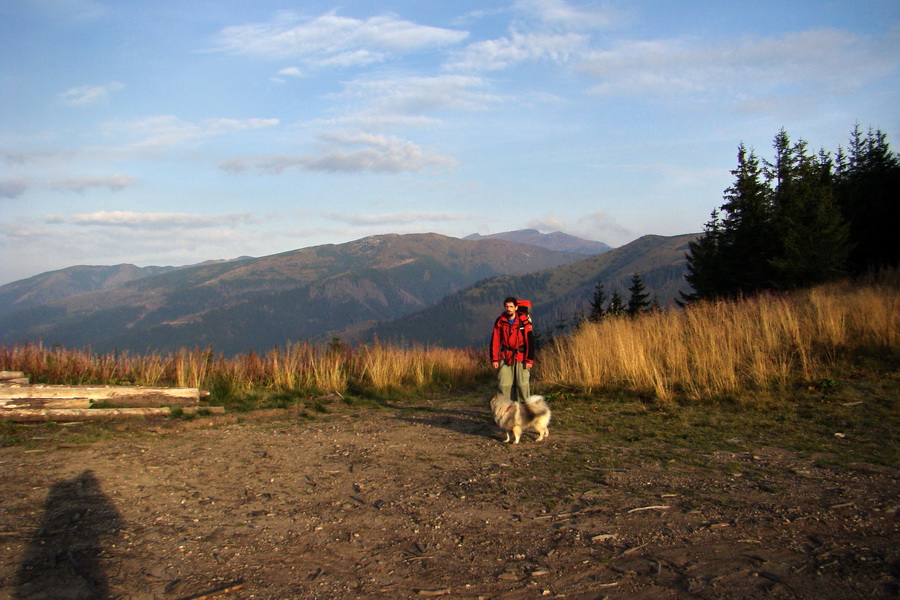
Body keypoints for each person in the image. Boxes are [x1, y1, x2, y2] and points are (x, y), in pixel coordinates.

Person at [490, 296, 534, 402]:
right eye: (506, 306)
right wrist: (494, 359)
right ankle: (505, 412)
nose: (509, 309)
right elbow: (495, 340)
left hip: (521, 356)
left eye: (511, 306)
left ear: (516, 308)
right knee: (504, 384)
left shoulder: (523, 321)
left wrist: (529, 360)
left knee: (522, 386)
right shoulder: (500, 321)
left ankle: (524, 413)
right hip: (506, 356)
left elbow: (530, 341)